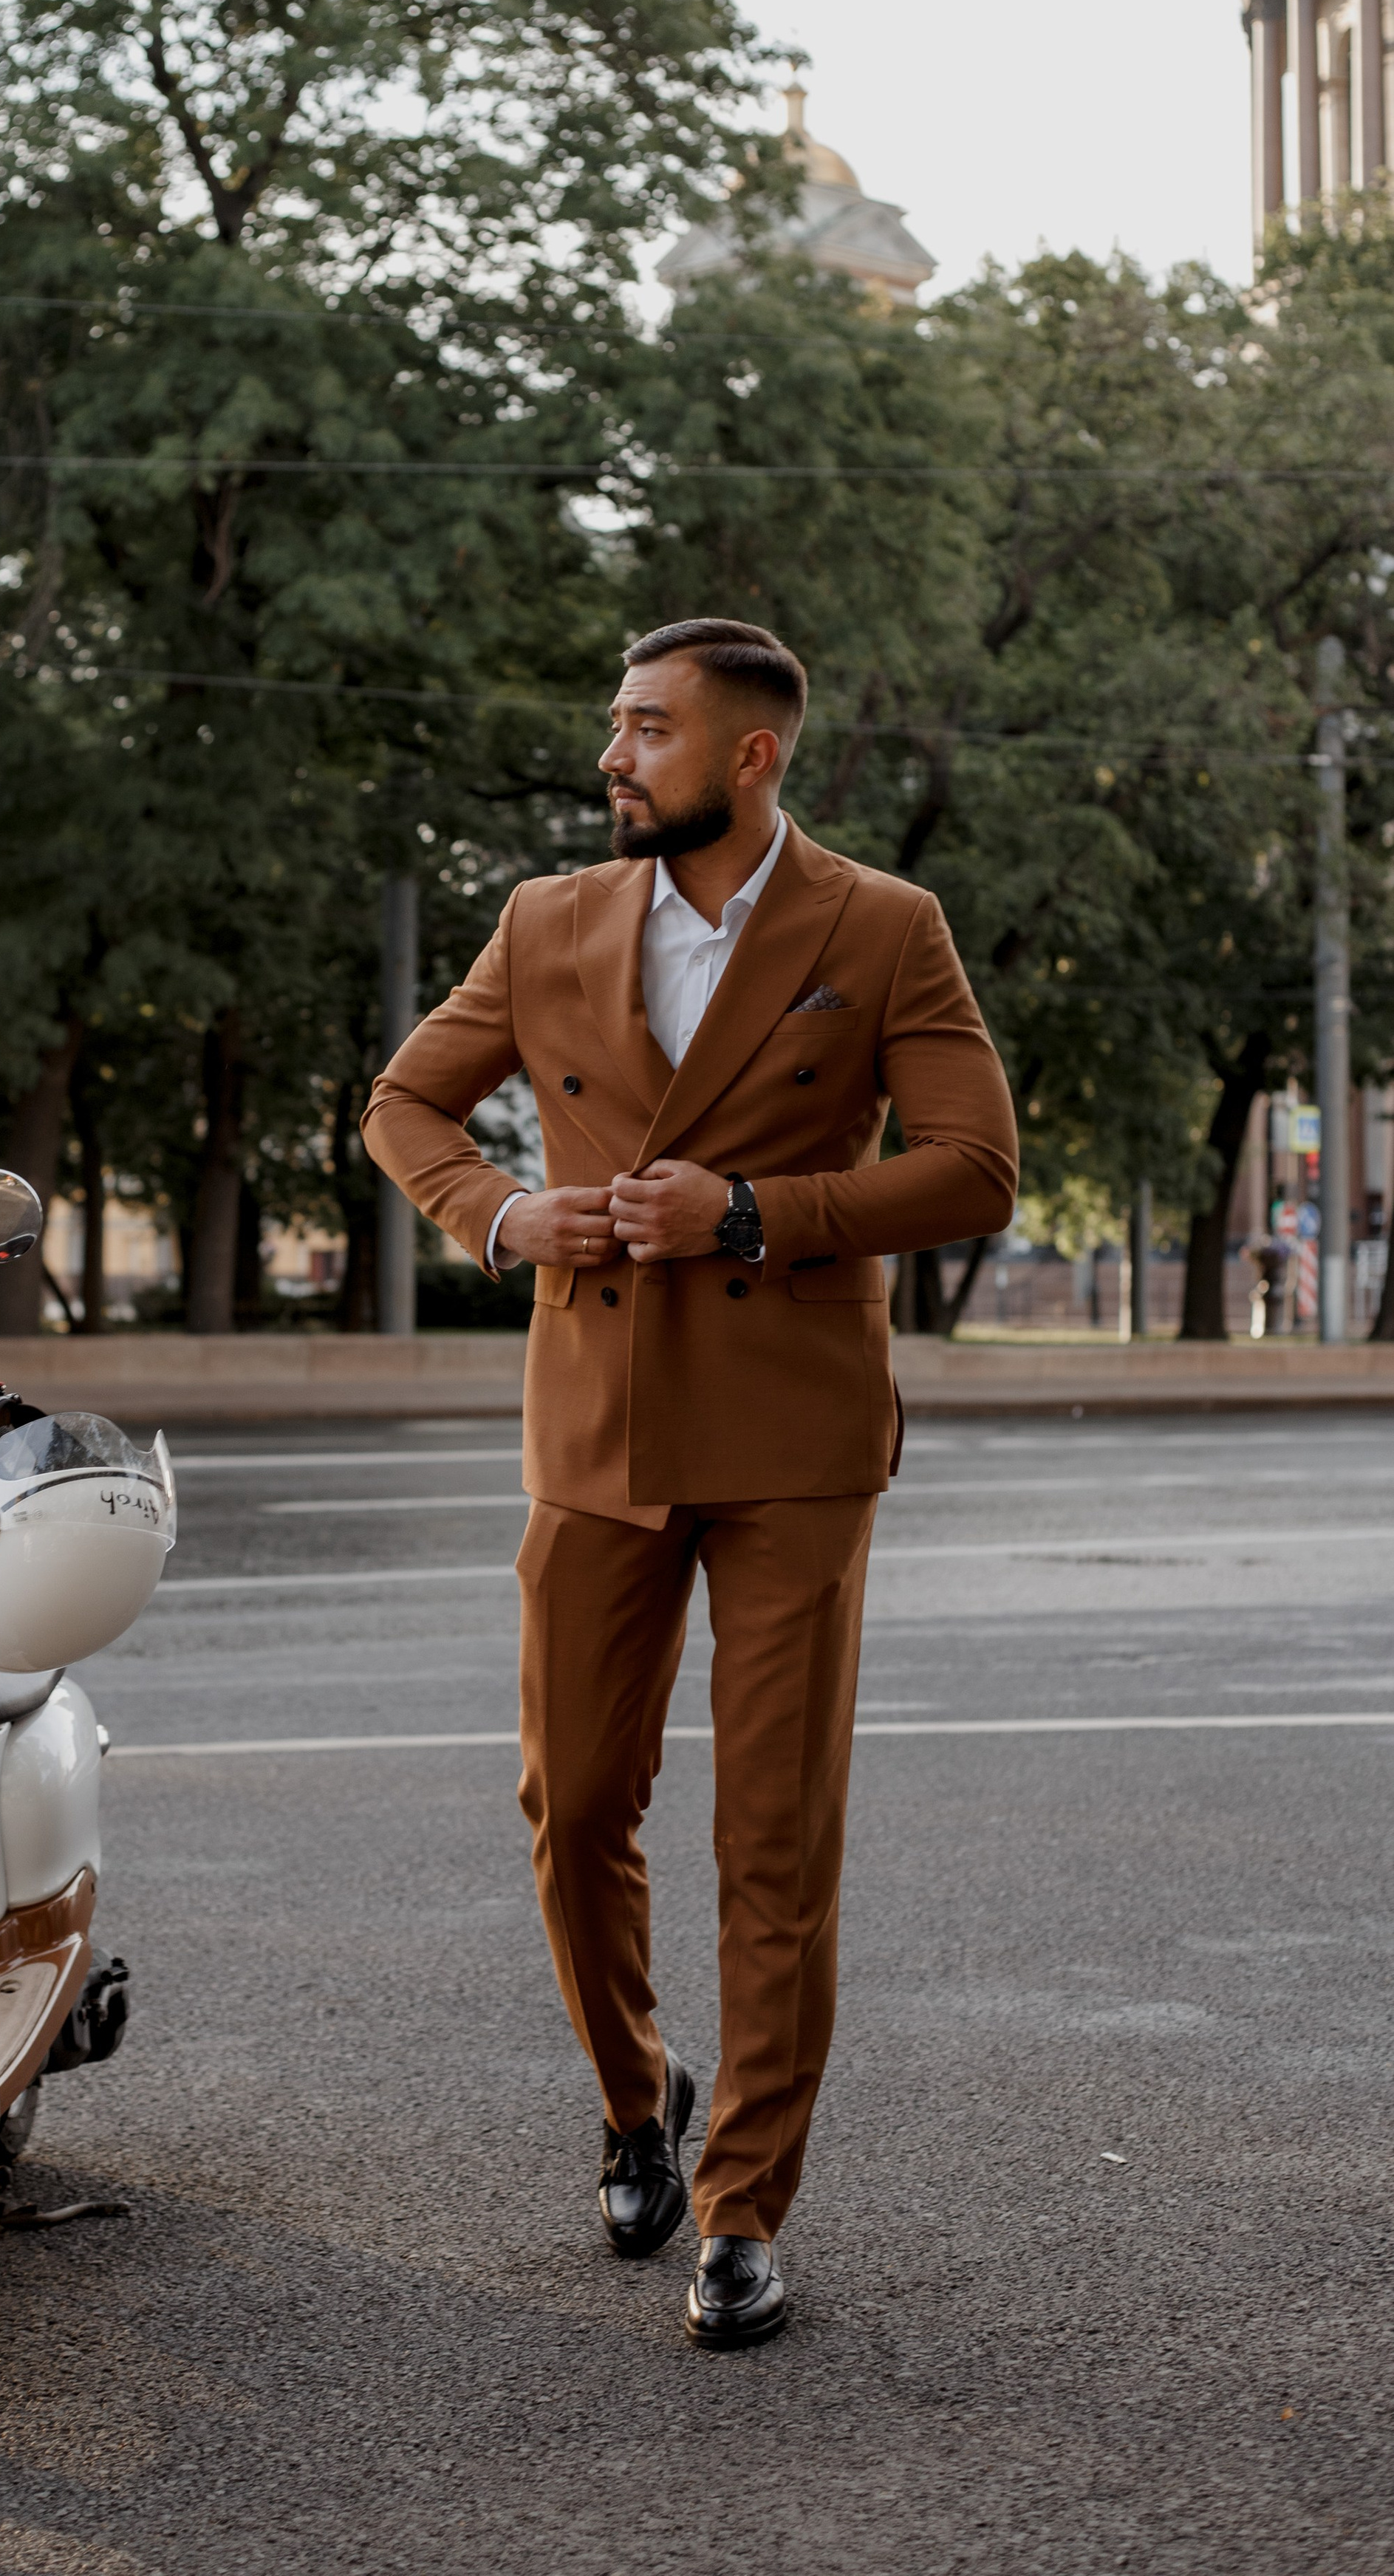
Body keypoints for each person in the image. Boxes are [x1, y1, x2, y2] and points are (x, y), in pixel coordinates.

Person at [363, 616, 1017, 2348]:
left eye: (645, 728)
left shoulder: (881, 928)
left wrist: (750, 1210)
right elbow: (405, 1105)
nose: (611, 754)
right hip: (596, 1426)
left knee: (772, 1840)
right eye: (611, 723)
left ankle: (740, 2208)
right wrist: (501, 1215)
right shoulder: (545, 921)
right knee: (574, 1806)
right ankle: (629, 2084)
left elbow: (972, 1171)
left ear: (747, 756)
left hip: (794, 1434)